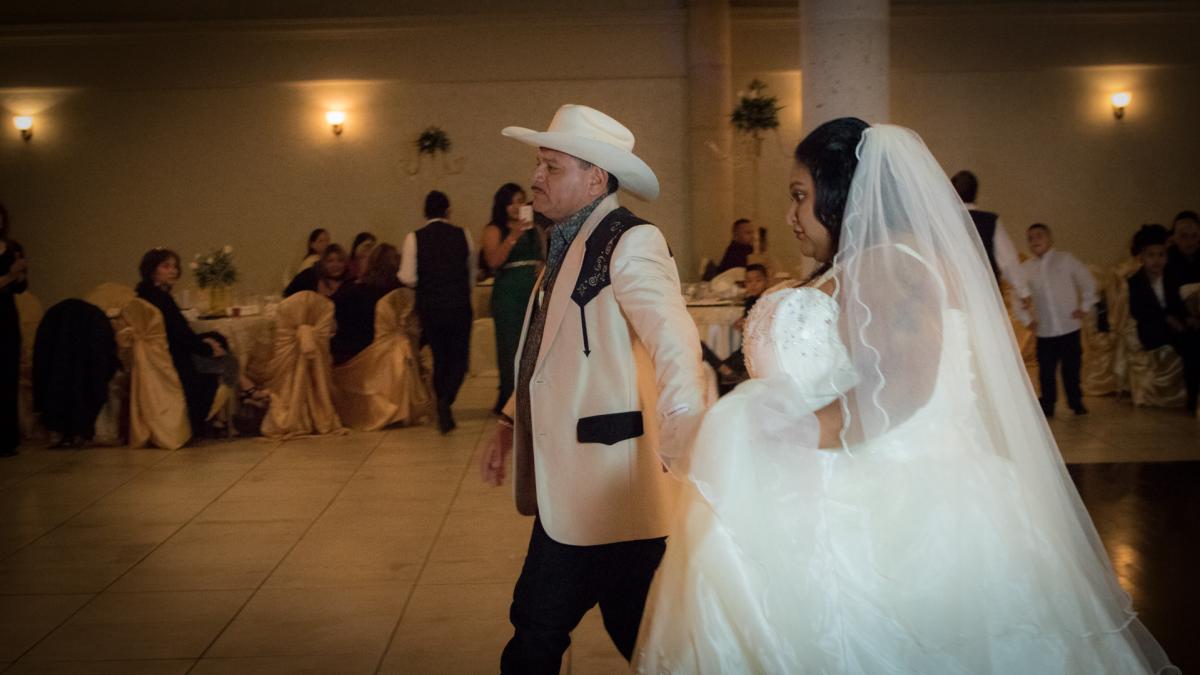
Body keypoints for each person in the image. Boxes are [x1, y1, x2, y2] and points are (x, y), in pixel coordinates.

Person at [636, 119, 1175, 674]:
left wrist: (774, 431)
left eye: (800, 195)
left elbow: (900, 386)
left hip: (886, 506)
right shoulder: (870, 262)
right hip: (843, 478)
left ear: (841, 192)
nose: (791, 214)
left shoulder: (888, 263)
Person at [477, 104, 705, 675]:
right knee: (637, 632)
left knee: (539, 628)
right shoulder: (568, 241)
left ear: (596, 179)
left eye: (551, 166)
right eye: (539, 164)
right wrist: (509, 419)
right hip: (594, 489)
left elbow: (676, 341)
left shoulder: (631, 241)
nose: (535, 178)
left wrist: (683, 440)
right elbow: (546, 354)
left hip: (608, 478)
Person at [135, 248, 262, 435]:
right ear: (152, 270)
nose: (173, 271)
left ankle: (234, 402)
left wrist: (207, 343)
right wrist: (206, 349)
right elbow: (178, 335)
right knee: (228, 360)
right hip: (174, 357)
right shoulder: (160, 299)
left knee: (217, 338)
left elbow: (178, 333)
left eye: (175, 266)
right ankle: (241, 396)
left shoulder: (146, 294)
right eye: (166, 266)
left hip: (163, 351)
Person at [399, 191, 475, 433]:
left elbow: (408, 277)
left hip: (431, 306)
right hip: (459, 304)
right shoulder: (463, 235)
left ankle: (442, 399)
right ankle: (446, 399)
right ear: (448, 211)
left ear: (425, 213)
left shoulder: (414, 238)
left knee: (440, 357)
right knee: (459, 358)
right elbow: (471, 272)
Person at [1022, 223, 1098, 417]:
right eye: (1030, 238)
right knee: (1046, 370)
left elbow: (1088, 281)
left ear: (1050, 238)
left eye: (1039, 235)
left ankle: (1075, 401)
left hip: (1069, 327)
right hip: (1045, 331)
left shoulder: (1065, 259)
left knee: (1071, 368)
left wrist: (1085, 307)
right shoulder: (1026, 269)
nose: (1035, 240)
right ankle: (1048, 403)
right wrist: (1026, 319)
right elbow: (1018, 296)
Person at [480, 182, 544, 414]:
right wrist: (514, 235)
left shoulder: (535, 228)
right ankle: (509, 400)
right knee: (510, 346)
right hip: (508, 293)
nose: (517, 207)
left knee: (533, 345)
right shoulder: (494, 229)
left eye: (521, 201)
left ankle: (531, 398)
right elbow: (493, 261)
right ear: (503, 205)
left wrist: (542, 267)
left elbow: (543, 255)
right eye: (512, 202)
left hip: (532, 290)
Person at [1128, 224, 1199, 414]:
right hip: (1152, 329)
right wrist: (1167, 318)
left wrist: (1188, 317)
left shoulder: (1170, 277)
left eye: (1161, 255)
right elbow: (1139, 311)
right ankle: (1192, 399)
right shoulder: (1135, 282)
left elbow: (1177, 303)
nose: (1156, 260)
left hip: (1175, 325)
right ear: (1142, 257)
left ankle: (1193, 394)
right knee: (1189, 342)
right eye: (1151, 255)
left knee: (1193, 340)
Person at [951, 170, 1032, 311]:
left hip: (953, 292)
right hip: (985, 291)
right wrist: (1023, 291)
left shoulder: (943, 222)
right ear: (975, 194)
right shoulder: (990, 221)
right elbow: (1008, 260)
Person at [331, 242, 402, 365]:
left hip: (353, 354)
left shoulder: (354, 291)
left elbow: (334, 315)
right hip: (393, 354)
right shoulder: (401, 293)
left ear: (371, 263)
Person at [700, 263, 767, 393]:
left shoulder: (766, 300)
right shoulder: (750, 301)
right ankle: (728, 373)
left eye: (758, 280)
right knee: (712, 364)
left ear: (766, 280)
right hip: (745, 349)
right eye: (749, 281)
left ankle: (729, 373)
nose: (753, 284)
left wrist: (748, 323)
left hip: (756, 351)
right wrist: (743, 322)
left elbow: (764, 326)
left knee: (713, 364)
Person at [0, 204, 27, 457]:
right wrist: (9, 276)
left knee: (8, 375)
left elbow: (20, 287)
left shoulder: (11, 248)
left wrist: (19, 274)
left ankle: (8, 438)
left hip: (7, 315)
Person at [284, 244, 348, 298]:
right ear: (323, 263)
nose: (336, 265)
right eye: (330, 261)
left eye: (340, 261)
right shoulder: (309, 275)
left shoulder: (348, 283)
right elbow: (287, 294)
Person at [1167, 210, 1200, 285]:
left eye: (1194, 235)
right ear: (1174, 237)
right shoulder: (1165, 259)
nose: (1189, 241)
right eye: (1183, 236)